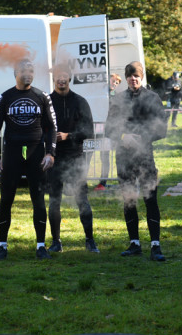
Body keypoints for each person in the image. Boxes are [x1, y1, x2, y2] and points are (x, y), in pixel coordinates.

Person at [0, 59, 57, 260]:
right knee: (6, 198)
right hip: (12, 151)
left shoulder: (41, 96)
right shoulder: (6, 97)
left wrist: (50, 152)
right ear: (15, 72)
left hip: (36, 151)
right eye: (24, 71)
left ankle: (41, 246)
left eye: (31, 71)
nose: (28, 74)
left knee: (38, 199)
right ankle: (2, 246)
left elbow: (52, 127)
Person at [105, 61, 168, 261]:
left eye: (137, 76)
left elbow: (162, 129)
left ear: (142, 77)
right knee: (129, 199)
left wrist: (142, 137)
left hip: (145, 157)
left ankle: (155, 244)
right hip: (124, 158)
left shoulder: (153, 98)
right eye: (130, 76)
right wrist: (124, 137)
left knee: (150, 199)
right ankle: (134, 243)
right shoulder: (118, 100)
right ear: (126, 78)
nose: (133, 79)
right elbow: (109, 129)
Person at [46, 65, 97, 253]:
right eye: (58, 76)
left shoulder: (80, 102)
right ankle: (56, 241)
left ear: (70, 78)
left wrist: (68, 136)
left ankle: (90, 240)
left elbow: (89, 132)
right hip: (54, 159)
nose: (61, 79)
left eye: (64, 76)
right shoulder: (47, 102)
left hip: (76, 158)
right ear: (54, 79)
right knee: (54, 201)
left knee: (82, 200)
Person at [95, 73, 122, 192]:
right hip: (99, 130)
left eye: (117, 83)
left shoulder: (117, 97)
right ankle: (101, 182)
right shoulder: (100, 94)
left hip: (113, 131)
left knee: (116, 156)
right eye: (113, 81)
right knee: (103, 157)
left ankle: (119, 181)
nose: (114, 84)